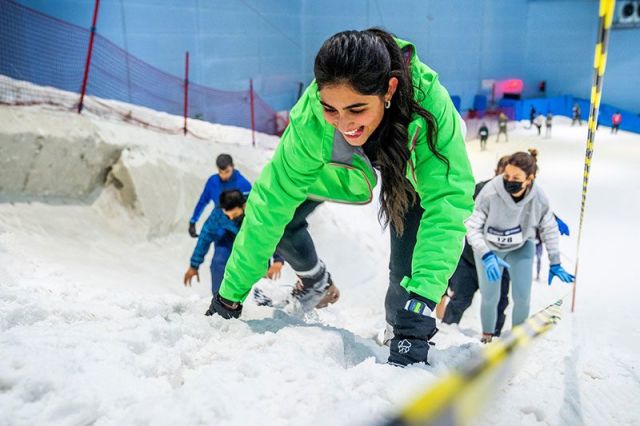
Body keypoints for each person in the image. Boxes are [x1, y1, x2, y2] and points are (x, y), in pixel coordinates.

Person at [205, 29, 475, 367]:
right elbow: (270, 201)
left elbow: (447, 204)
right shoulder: (312, 119)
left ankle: (399, 331)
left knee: (404, 281)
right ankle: (316, 280)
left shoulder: (430, 107)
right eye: (331, 109)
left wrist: (420, 306)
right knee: (283, 219)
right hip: (341, 165)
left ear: (389, 90)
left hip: (414, 173)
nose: (344, 122)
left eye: (356, 109)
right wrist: (230, 295)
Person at [466, 149, 575, 343]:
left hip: (520, 248)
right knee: (490, 297)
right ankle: (487, 337)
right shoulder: (490, 191)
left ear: (529, 179)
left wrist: (555, 262)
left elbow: (549, 228)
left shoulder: (539, 197)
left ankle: (517, 339)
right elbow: (471, 227)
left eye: (516, 177)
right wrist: (485, 254)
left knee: (522, 296)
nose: (509, 180)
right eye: (506, 175)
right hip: (490, 250)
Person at [438, 156, 511, 336]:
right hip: (469, 261)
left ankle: (492, 340)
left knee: (498, 304)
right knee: (460, 300)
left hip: (498, 264)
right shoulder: (480, 190)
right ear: (496, 173)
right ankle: (444, 334)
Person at [183, 189, 285, 294]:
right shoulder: (219, 214)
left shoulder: (258, 209)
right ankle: (219, 299)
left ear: (244, 205)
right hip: (230, 238)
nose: (230, 218)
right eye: (228, 215)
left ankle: (261, 299)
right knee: (219, 261)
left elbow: (272, 233)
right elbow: (205, 236)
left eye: (234, 214)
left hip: (254, 241)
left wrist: (278, 260)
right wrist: (194, 265)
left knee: (258, 266)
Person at [188, 154, 252, 238]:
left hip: (239, 228)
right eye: (221, 172)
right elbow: (202, 201)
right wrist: (193, 221)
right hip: (220, 224)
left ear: (233, 167)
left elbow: (251, 207)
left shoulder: (243, 185)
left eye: (227, 171)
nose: (224, 175)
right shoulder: (213, 182)